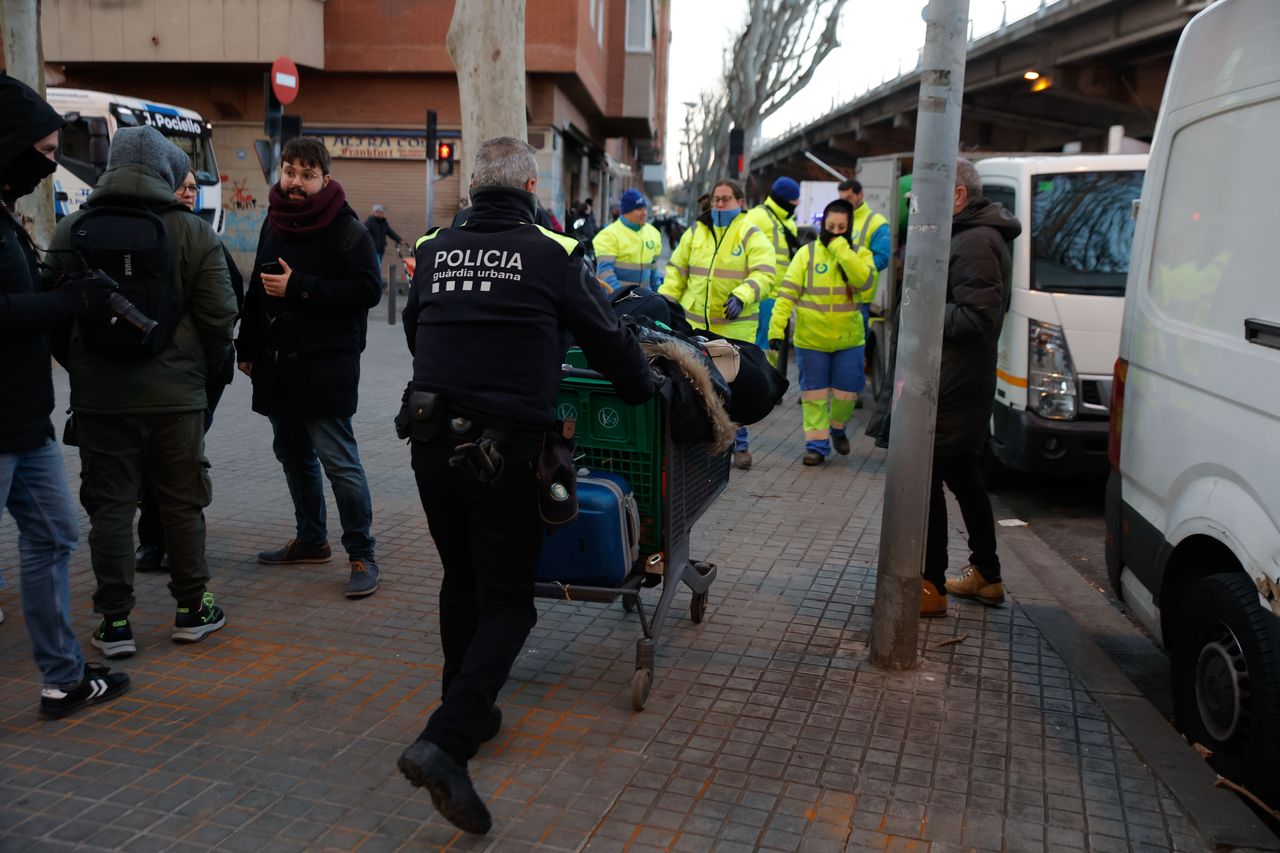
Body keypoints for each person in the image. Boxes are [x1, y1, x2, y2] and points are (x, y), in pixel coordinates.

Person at [396, 137, 655, 834]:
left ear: (475, 185)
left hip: (428, 441)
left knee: (462, 580)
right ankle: (448, 741)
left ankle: (468, 709)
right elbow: (607, 338)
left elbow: (417, 327)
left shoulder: (438, 246)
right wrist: (644, 386)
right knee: (510, 603)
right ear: (533, 186)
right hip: (503, 451)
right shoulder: (551, 253)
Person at [48, 125, 237, 657]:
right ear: (163, 169)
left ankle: (113, 623)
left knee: (109, 507)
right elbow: (220, 317)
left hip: (99, 399)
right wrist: (202, 374)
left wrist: (84, 368)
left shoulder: (72, 230)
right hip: (175, 398)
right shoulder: (195, 233)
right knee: (181, 502)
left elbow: (57, 322)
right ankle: (192, 608)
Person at [0, 72, 130, 718]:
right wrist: (64, 301)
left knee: (53, 535)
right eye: (45, 153)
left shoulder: (5, 212)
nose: (49, 166)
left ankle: (64, 677)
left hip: (27, 424)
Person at [236, 137, 384, 598]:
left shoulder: (347, 230)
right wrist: (247, 346)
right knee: (293, 455)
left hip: (326, 367)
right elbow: (258, 290)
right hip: (278, 366)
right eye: (289, 171)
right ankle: (311, 540)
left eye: (306, 174)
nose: (295, 182)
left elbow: (368, 290)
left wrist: (300, 286)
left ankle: (362, 553)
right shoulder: (273, 222)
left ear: (324, 178)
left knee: (339, 462)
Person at [921, 159, 1022, 618]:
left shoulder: (976, 240)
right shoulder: (972, 235)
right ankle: (987, 575)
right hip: (958, 379)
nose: (919, 205)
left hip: (953, 383)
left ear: (958, 196)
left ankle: (929, 585)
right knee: (963, 477)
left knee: (927, 482)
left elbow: (978, 319)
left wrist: (923, 309)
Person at [134, 171, 244, 574]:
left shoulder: (202, 236)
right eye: (180, 184)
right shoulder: (138, 233)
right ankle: (153, 541)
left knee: (176, 459)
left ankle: (167, 546)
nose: (188, 192)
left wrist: (211, 360)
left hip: (196, 374)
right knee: (154, 457)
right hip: (149, 371)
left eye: (194, 187)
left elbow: (230, 301)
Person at [660, 178, 775, 470]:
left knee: (734, 390)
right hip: (696, 328)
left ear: (740, 202)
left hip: (732, 329)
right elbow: (677, 270)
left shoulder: (750, 233)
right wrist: (664, 301)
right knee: (699, 387)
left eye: (726, 199)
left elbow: (765, 274)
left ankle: (741, 446)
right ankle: (705, 447)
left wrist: (742, 295)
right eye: (716, 199)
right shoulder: (697, 231)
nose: (720, 204)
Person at [768, 199, 875, 466]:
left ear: (849, 228)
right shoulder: (806, 254)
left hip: (848, 341)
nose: (835, 232)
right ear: (822, 225)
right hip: (811, 340)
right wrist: (776, 327)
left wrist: (842, 251)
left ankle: (837, 428)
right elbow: (786, 295)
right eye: (830, 227)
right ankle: (816, 446)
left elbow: (867, 286)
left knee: (847, 394)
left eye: (841, 228)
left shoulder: (860, 254)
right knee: (813, 396)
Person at [744, 177, 801, 359]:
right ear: (784, 199)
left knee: (775, 348)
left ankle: (771, 381)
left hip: (781, 296)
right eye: (794, 201)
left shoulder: (789, 223)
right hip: (764, 295)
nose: (797, 204)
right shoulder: (756, 216)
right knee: (763, 345)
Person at [591, 188, 662, 291]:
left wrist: (659, 295)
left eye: (645, 208)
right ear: (626, 212)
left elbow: (653, 270)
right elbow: (605, 273)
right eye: (639, 209)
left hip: (646, 300)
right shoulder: (608, 235)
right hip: (619, 302)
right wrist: (623, 298)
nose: (644, 213)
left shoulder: (653, 233)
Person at [362, 204, 404, 287]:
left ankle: (373, 283)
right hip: (372, 249)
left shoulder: (384, 223)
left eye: (381, 212)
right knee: (377, 267)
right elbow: (363, 233)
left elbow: (390, 232)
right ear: (374, 212)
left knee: (377, 266)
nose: (380, 214)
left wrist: (399, 240)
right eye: (378, 212)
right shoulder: (370, 222)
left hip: (381, 250)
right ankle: (378, 283)